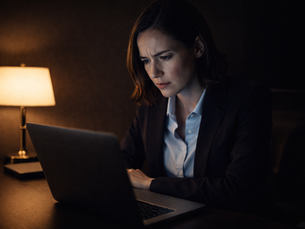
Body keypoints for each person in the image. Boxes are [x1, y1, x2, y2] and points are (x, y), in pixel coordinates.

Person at [121, 0, 272, 211]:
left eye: (164, 57)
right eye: (145, 60)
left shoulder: (248, 99)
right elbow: (121, 162)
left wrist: (150, 184)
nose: (154, 73)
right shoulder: (151, 105)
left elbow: (239, 189)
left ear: (198, 48)